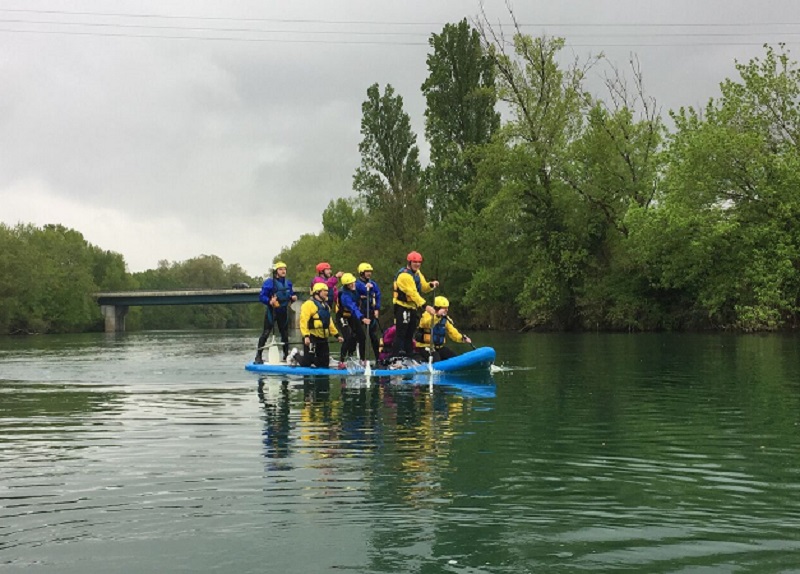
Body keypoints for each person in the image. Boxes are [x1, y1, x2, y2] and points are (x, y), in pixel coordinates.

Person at [390, 250, 438, 359]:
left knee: (410, 334)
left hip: (412, 307)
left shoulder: (417, 273)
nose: (417, 264)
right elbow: (413, 293)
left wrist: (431, 285)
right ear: (409, 262)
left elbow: (424, 287)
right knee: (401, 334)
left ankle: (409, 356)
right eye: (414, 262)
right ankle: (394, 358)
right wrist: (426, 306)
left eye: (419, 262)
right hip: (402, 307)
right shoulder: (404, 276)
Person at [255, 261, 297, 364]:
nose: (283, 271)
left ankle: (286, 356)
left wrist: (293, 297)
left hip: (283, 312)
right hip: (272, 311)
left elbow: (290, 294)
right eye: (281, 269)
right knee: (266, 333)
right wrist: (270, 301)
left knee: (285, 334)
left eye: (284, 269)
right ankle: (258, 356)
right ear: (276, 271)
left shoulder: (288, 283)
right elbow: (262, 296)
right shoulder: (270, 283)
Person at [297, 283, 343, 368]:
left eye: (327, 291)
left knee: (324, 364)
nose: (326, 293)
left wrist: (337, 335)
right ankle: (295, 355)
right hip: (312, 337)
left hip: (323, 337)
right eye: (324, 291)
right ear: (317, 292)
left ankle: (313, 359)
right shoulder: (308, 304)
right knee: (307, 363)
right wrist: (306, 336)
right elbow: (303, 321)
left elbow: (330, 323)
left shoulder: (326, 306)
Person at [415, 296, 472, 362]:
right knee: (437, 359)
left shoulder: (445, 319)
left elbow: (452, 332)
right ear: (437, 308)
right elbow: (428, 324)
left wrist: (462, 338)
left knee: (454, 357)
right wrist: (437, 316)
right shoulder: (427, 315)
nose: (446, 310)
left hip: (439, 347)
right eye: (444, 308)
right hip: (426, 347)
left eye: (447, 308)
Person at [336, 272, 370, 364]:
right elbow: (354, 308)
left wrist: (369, 287)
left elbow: (365, 289)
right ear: (346, 285)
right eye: (349, 284)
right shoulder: (344, 296)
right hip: (343, 316)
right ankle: (342, 361)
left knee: (362, 337)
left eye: (352, 283)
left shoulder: (356, 285)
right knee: (348, 337)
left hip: (352, 316)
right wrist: (362, 318)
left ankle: (362, 360)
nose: (352, 285)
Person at [355, 262, 381, 360]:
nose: (369, 274)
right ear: (362, 273)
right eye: (367, 272)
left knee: (373, 336)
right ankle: (362, 359)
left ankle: (378, 358)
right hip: (361, 313)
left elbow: (377, 295)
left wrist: (377, 309)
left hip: (370, 312)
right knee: (362, 338)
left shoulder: (373, 284)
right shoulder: (357, 284)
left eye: (370, 272)